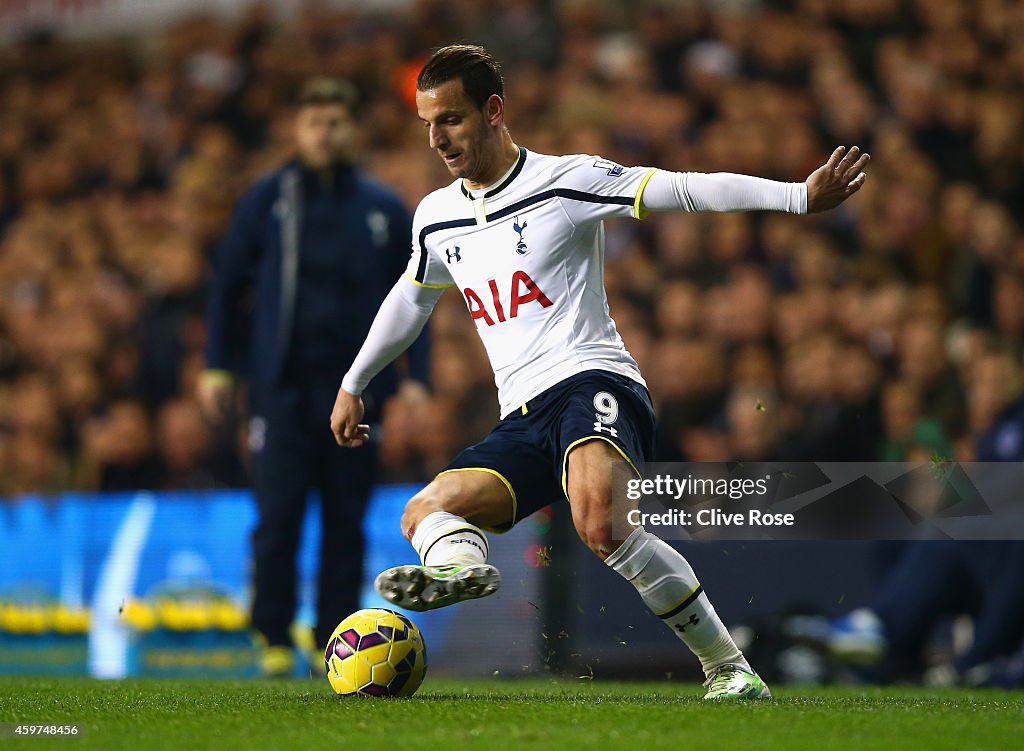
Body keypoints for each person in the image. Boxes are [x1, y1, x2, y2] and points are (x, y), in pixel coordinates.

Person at [330, 45, 869, 700]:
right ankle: (462, 568)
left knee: (599, 521)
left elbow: (681, 188)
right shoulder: (437, 216)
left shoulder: (565, 182)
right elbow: (412, 296)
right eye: (428, 124)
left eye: (452, 120)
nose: (438, 138)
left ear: (493, 111)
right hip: (523, 415)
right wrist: (354, 381)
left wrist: (795, 196)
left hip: (594, 381)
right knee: (427, 509)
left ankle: (730, 668)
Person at [199, 77, 426, 677]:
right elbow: (227, 285)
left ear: (354, 129)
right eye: (314, 121)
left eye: (336, 121)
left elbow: (416, 295)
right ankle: (272, 634)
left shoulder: (381, 208)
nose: (325, 133)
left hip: (356, 391)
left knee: (345, 519)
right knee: (278, 515)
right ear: (297, 130)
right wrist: (218, 364)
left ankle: (334, 639)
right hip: (283, 390)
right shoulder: (268, 200)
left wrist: (415, 380)